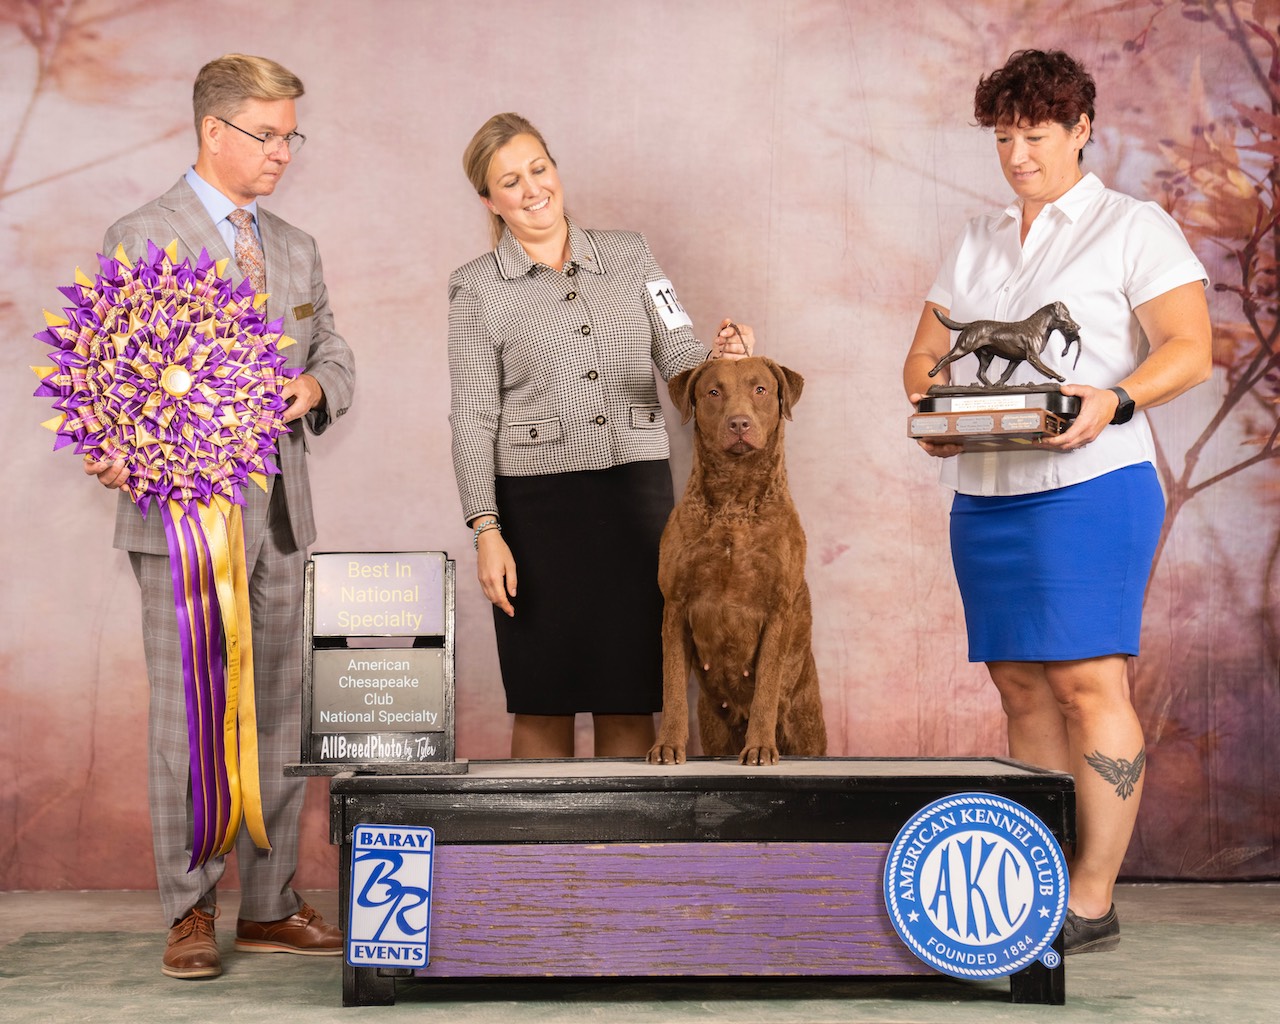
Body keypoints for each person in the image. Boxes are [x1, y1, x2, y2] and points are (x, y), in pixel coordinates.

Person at [903, 50, 1211, 954]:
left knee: (1087, 683)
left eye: (1036, 136)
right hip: (984, 491)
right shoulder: (978, 236)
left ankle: (1091, 898)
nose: (1018, 156)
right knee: (1020, 688)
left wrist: (1114, 398)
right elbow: (922, 357)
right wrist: (934, 405)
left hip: (1094, 486)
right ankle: (1033, 879)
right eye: (1004, 138)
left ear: (1082, 130)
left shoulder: (1134, 226)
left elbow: (1190, 348)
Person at [85, 54, 356, 980]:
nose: (284, 151)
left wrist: (313, 385)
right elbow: (107, 379)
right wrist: (117, 442)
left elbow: (334, 351)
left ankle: (270, 906)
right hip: (181, 526)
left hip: (281, 519)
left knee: (280, 714)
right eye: (268, 135)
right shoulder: (139, 235)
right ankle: (189, 909)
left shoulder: (296, 245)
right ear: (214, 130)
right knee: (191, 718)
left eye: (291, 136)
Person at [448, 112, 754, 760]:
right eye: (510, 181)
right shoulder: (475, 287)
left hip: (637, 501)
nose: (532, 189)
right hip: (534, 514)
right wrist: (486, 530)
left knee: (630, 695)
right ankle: (541, 835)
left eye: (538, 169)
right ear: (489, 200)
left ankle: (623, 834)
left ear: (555, 169)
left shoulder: (632, 254)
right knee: (542, 701)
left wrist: (723, 363)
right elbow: (472, 415)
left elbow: (681, 362)